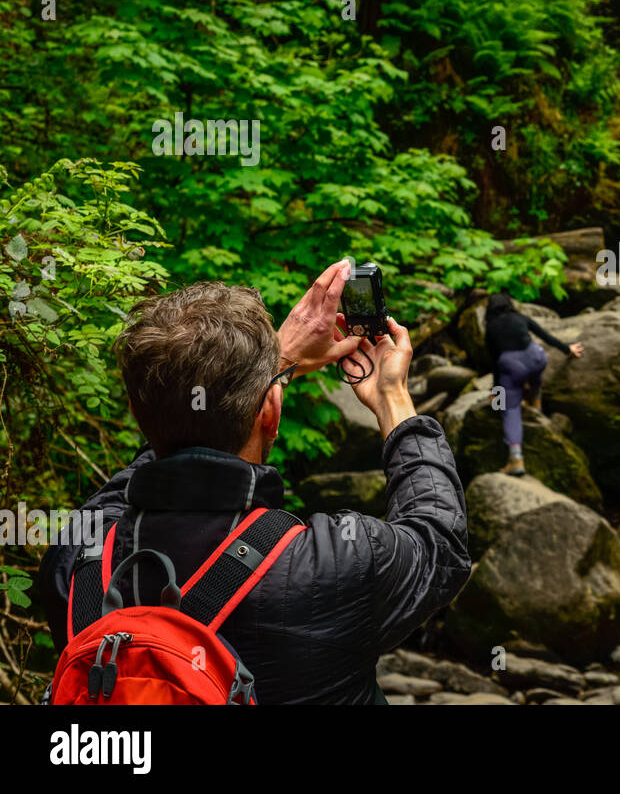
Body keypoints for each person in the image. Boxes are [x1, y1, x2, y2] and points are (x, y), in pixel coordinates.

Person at [37, 260, 471, 704]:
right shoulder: (338, 563)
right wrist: (392, 397)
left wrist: (271, 369)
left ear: (134, 410)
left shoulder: (78, 557)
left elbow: (155, 448)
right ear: (271, 412)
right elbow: (439, 540)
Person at [484, 292, 582, 475]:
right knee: (535, 365)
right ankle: (535, 400)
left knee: (509, 410)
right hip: (536, 358)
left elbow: (495, 363)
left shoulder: (491, 329)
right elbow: (545, 336)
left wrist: (497, 394)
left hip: (512, 367)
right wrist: (567, 349)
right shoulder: (519, 317)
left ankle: (516, 459)